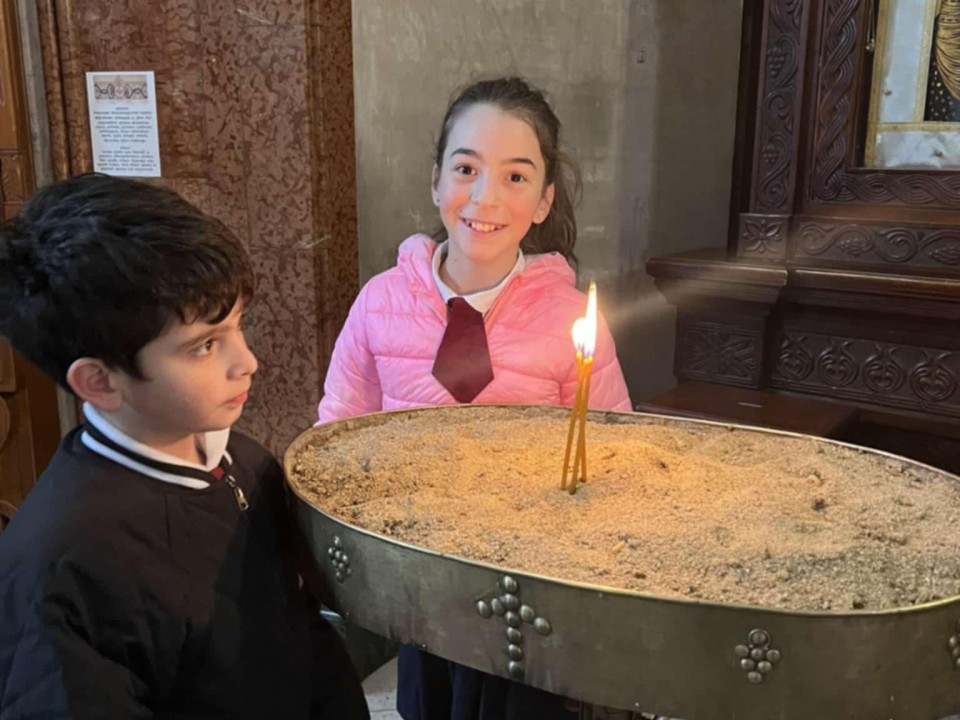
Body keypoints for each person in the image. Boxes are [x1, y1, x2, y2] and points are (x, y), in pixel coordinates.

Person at [317, 77, 632, 719]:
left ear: (544, 200)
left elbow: (611, 449)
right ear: (436, 181)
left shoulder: (571, 317)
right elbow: (338, 436)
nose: (485, 197)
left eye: (515, 176)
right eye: (466, 169)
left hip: (533, 594)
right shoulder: (380, 303)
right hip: (424, 582)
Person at [0, 174, 369, 719]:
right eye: (204, 346)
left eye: (238, 326)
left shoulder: (245, 462)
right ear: (100, 382)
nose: (247, 362)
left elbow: (305, 641)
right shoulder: (63, 565)